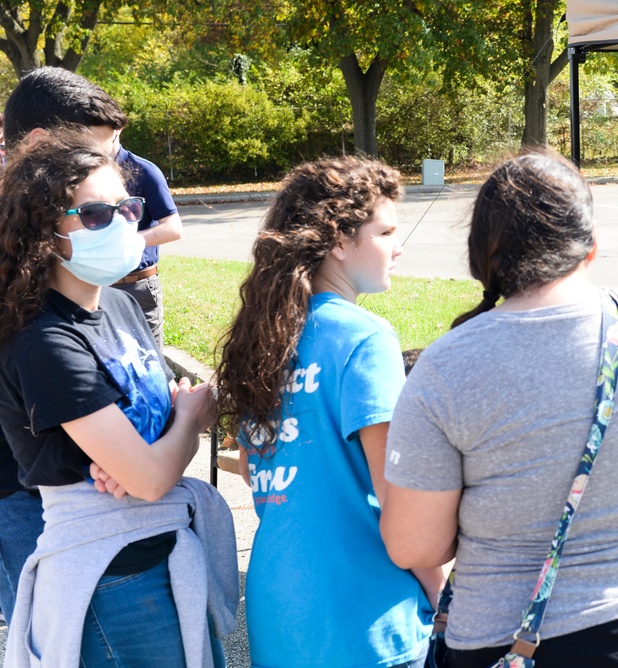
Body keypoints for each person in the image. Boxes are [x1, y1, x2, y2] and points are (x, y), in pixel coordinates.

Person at [379, 150, 618, 667]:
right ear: (591, 243)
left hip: (508, 640)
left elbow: (415, 547)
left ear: (482, 257)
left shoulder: (446, 367)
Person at [0, 129, 236, 666]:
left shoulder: (123, 307)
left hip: (169, 558)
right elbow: (150, 477)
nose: (125, 223)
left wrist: (152, 449)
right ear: (44, 228)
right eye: (96, 214)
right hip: (111, 585)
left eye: (128, 209)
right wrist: (188, 423)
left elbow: (146, 462)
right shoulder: (43, 340)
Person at [214, 156, 441, 668]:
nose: (398, 246)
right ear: (339, 240)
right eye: (385, 231)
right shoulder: (366, 337)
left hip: (281, 614)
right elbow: (399, 501)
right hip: (365, 615)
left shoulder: (263, 339)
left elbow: (256, 473)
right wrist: (444, 592)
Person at [4, 66, 183, 350]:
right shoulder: (41, 341)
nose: (105, 171)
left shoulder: (111, 303)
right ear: (38, 145)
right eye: (89, 156)